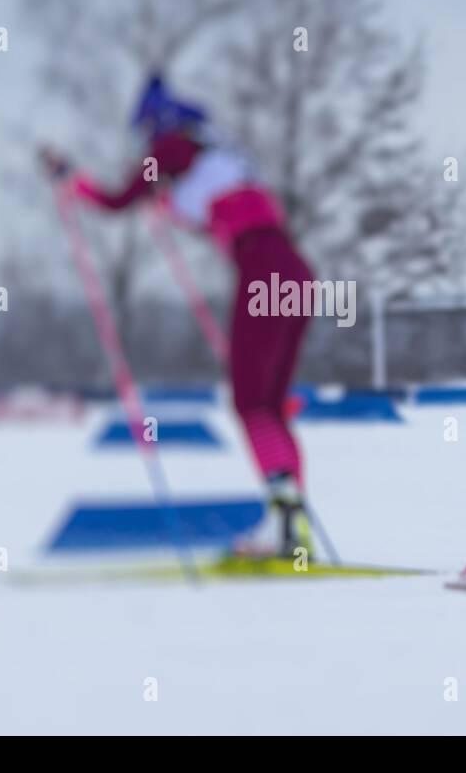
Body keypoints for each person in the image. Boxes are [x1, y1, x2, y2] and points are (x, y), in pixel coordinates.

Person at [38, 75, 315, 558]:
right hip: (295, 275)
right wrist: (164, 201)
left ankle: (286, 526)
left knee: (251, 405)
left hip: (263, 273)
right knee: (268, 405)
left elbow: (119, 199)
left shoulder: (170, 149)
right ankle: (293, 528)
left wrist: (71, 178)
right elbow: (215, 211)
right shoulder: (216, 151)